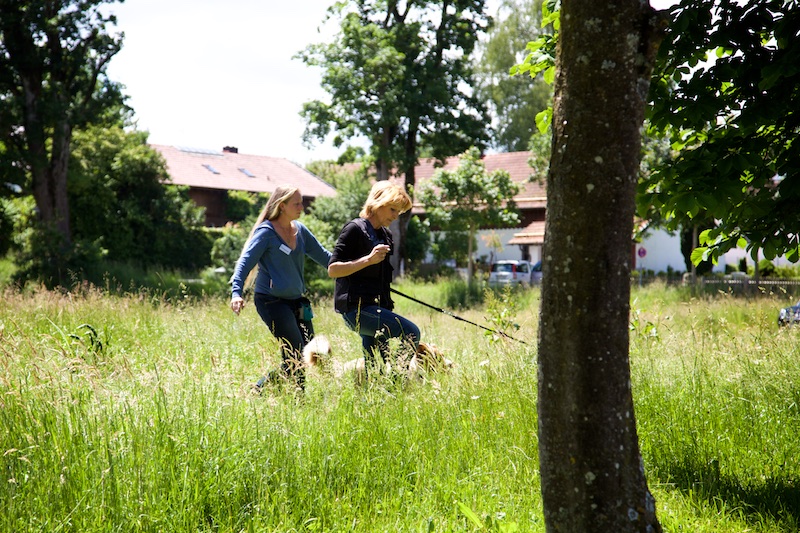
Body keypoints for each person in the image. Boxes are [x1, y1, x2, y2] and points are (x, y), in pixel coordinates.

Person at [230, 186, 331, 391]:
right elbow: (245, 263)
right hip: (272, 301)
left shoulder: (300, 231)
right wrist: (236, 292)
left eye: (301, 202)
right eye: (297, 203)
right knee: (296, 352)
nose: (302, 207)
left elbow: (327, 258)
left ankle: (258, 390)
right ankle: (298, 400)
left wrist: (358, 266)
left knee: (307, 353)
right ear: (282, 206)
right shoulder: (266, 233)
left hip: (299, 302)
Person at [328, 181, 420, 378]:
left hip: (376, 308)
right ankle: (398, 380)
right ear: (377, 203)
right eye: (393, 209)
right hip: (356, 310)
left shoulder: (385, 235)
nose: (395, 216)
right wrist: (368, 260)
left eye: (399, 212)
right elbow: (333, 270)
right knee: (412, 333)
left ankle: (380, 393)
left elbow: (381, 280)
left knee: (376, 366)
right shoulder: (354, 229)